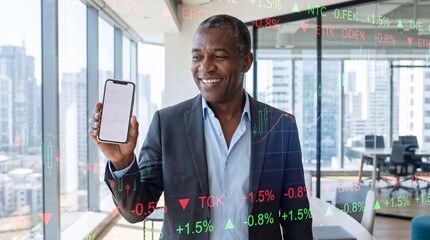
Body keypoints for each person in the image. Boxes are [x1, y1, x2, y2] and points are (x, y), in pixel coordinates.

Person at [89, 14, 312, 240]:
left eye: (218, 56)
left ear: (246, 62)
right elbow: (137, 211)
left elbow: (297, 216)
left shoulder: (280, 126)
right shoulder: (167, 124)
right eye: (197, 57)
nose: (205, 67)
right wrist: (122, 162)